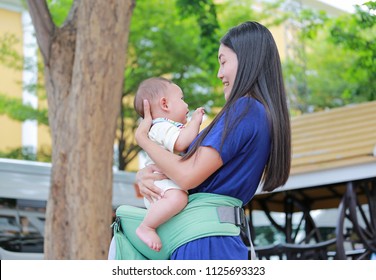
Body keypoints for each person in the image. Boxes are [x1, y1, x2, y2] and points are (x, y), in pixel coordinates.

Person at [108, 21, 291, 260]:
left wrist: (143, 138)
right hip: (214, 240)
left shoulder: (244, 108)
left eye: (223, 61)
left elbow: (187, 175)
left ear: (247, 59)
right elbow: (185, 173)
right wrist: (145, 176)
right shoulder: (257, 113)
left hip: (202, 243)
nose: (219, 73)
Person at [133, 77, 205, 252]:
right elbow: (181, 143)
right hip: (161, 185)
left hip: (163, 183)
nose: (186, 105)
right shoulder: (161, 126)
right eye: (181, 99)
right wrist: (195, 121)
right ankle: (146, 227)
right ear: (165, 104)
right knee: (179, 198)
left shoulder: (166, 127)